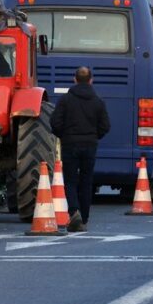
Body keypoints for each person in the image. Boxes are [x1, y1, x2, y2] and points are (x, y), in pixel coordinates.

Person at [50, 67, 110, 232]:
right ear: (91, 80)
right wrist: (94, 136)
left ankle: (74, 211)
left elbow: (55, 123)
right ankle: (83, 218)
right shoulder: (98, 101)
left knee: (70, 181)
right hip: (90, 145)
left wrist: (63, 135)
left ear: (74, 79)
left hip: (70, 145)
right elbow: (105, 126)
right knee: (86, 181)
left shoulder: (65, 100)